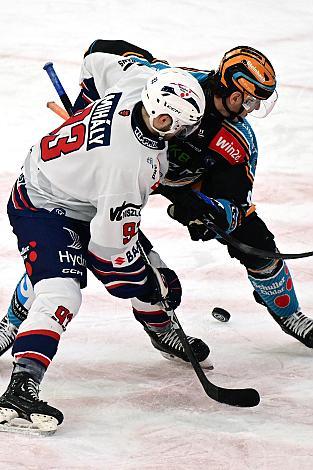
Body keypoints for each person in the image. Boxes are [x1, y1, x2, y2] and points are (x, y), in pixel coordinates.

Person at [1, 39, 312, 369]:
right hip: (121, 172)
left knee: (255, 241)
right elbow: (101, 52)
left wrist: (208, 211)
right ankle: (12, 321)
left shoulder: (236, 139)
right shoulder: (165, 82)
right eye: (248, 99)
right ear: (230, 88)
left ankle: (291, 315)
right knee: (67, 241)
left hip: (175, 183)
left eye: (257, 102)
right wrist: (88, 108)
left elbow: (235, 205)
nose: (250, 108)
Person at [0, 62, 207, 431]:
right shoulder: (127, 169)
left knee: (146, 264)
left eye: (184, 126)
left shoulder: (141, 82)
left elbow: (100, 59)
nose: (177, 132)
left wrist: (87, 105)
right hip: (43, 205)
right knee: (62, 290)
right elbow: (110, 261)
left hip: (81, 189)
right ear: (157, 110)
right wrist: (149, 285)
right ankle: (21, 387)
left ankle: (159, 330)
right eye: (168, 124)